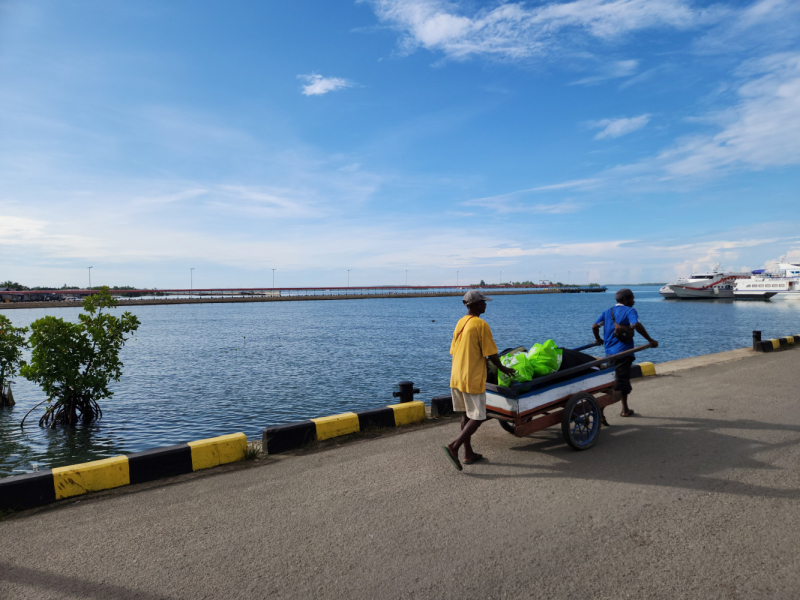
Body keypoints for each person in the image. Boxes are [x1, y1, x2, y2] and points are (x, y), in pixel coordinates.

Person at [443, 290, 516, 471]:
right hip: (472, 377)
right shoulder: (480, 324)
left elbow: (454, 350)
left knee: (466, 415)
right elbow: (491, 354)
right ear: (475, 305)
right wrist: (504, 369)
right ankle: (454, 446)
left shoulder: (460, 322)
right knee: (478, 415)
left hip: (457, 376)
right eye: (483, 302)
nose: (485, 304)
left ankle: (468, 454)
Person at [592, 288, 658, 419]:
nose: (634, 301)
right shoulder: (630, 311)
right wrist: (650, 340)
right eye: (632, 298)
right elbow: (636, 325)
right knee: (622, 383)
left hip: (609, 353)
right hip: (624, 353)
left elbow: (594, 326)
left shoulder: (608, 312)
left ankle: (625, 409)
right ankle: (603, 407)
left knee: (617, 380)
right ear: (625, 299)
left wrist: (598, 339)